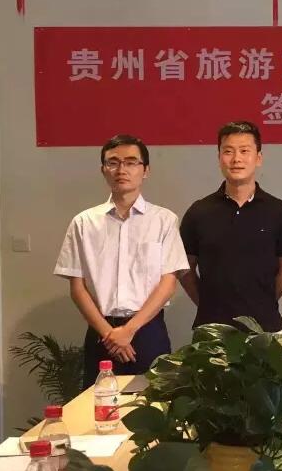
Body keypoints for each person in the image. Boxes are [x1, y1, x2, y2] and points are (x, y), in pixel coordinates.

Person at [54, 134, 189, 389]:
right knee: (97, 405)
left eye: (131, 162)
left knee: (154, 405)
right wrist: (110, 334)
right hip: (101, 332)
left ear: (145, 170)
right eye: (113, 162)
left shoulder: (164, 220)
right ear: (103, 170)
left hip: (148, 331)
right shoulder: (84, 223)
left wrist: (129, 330)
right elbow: (77, 287)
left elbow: (168, 283)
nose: (121, 170)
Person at [179, 121, 282, 332]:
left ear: (258, 158)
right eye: (228, 151)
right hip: (212, 329)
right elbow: (185, 267)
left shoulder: (278, 211)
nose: (236, 159)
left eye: (244, 151)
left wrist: (265, 301)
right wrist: (205, 303)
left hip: (265, 328)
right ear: (219, 157)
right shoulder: (199, 211)